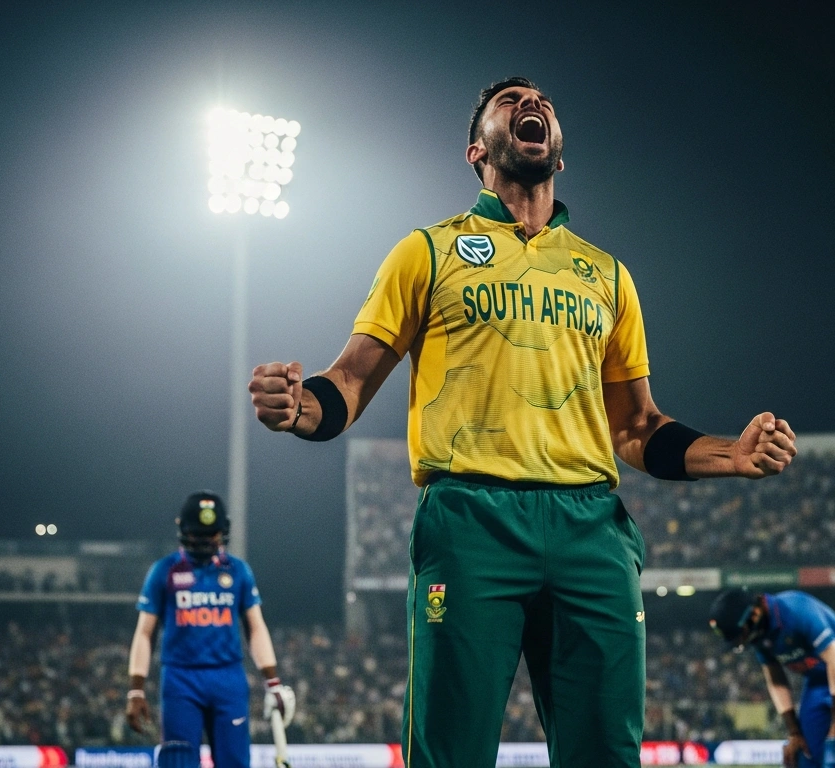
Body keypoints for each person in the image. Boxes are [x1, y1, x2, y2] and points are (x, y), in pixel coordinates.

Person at [249, 76, 797, 768]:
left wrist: (732, 453)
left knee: (608, 753)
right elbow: (352, 379)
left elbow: (635, 426)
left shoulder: (607, 275)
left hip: (591, 529)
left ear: (559, 152)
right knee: (451, 753)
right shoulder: (428, 251)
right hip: (471, 523)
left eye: (543, 102)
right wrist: (299, 407)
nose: (531, 105)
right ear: (477, 148)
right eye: (510, 102)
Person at [126, 491, 295, 768]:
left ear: (223, 532)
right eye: (197, 534)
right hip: (180, 679)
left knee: (234, 762)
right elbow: (145, 633)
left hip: (227, 678)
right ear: (183, 530)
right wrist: (136, 690)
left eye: (211, 534)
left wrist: (273, 682)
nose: (205, 541)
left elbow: (256, 628)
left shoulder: (238, 571)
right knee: (178, 762)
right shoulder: (164, 571)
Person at [708, 588, 835, 768]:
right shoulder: (758, 632)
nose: (742, 642)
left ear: (754, 614)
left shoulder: (796, 610)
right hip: (818, 680)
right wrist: (794, 732)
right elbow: (775, 679)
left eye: (740, 636)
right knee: (806, 754)